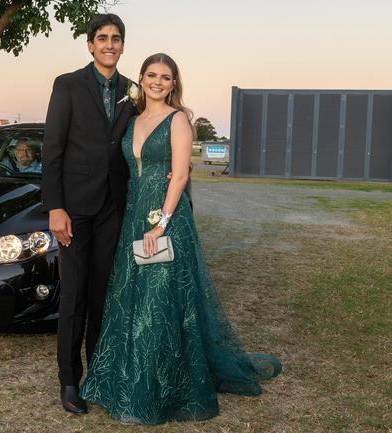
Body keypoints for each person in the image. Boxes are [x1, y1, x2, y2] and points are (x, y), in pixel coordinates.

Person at [79, 53, 282, 424]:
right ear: (141, 78)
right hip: (134, 218)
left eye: (166, 77)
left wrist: (161, 225)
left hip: (165, 219)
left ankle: (157, 392)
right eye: (152, 75)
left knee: (159, 304)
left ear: (174, 83)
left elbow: (179, 176)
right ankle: (123, 383)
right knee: (131, 301)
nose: (158, 81)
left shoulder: (178, 121)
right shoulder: (133, 120)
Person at [41, 13, 137, 415]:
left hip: (114, 208)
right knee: (75, 297)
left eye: (116, 38)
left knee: (102, 297)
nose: (109, 44)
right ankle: (69, 381)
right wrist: (55, 207)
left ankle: (99, 374)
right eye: (102, 38)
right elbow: (52, 150)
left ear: (122, 44)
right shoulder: (67, 85)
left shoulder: (134, 92)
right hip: (74, 210)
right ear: (90, 44)